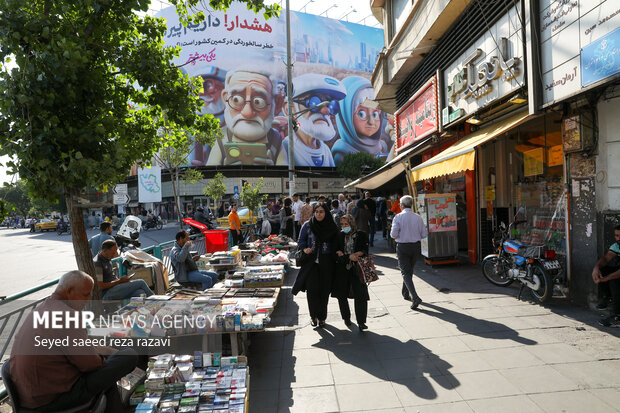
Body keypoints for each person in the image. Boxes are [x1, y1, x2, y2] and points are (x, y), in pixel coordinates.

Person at [10, 270, 138, 412]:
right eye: (85, 294)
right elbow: (90, 365)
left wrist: (109, 352)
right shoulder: (67, 315)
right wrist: (109, 358)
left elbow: (78, 347)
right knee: (129, 356)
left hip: (30, 397)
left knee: (109, 371)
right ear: (70, 291)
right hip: (52, 400)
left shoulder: (41, 310)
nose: (89, 299)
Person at [207, 67, 285, 166]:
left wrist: (273, 172)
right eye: (236, 100)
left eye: (258, 102)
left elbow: (287, 175)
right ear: (225, 99)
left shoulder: (275, 139)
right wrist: (225, 172)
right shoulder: (222, 137)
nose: (247, 113)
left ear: (277, 104)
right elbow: (211, 174)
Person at [282, 73, 347, 167]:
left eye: (330, 105)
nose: (326, 111)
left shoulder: (325, 150)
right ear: (290, 109)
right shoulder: (285, 147)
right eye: (314, 102)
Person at [293, 202, 339, 328]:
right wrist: (304, 248)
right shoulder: (308, 225)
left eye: (321, 212)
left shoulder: (331, 226)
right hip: (311, 263)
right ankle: (313, 316)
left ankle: (322, 317)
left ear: (326, 213)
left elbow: (337, 242)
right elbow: (300, 241)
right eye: (317, 211)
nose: (318, 214)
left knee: (324, 292)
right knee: (312, 292)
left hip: (327, 263)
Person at [333, 76, 390, 165]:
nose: (371, 121)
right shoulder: (342, 155)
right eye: (361, 114)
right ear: (346, 115)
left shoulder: (380, 147)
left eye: (375, 114)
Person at [391, 195, 428, 310]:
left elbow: (393, 234)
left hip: (403, 247)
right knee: (408, 270)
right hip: (416, 247)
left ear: (402, 205)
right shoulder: (418, 217)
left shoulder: (398, 217)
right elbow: (424, 234)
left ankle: (415, 297)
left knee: (405, 272)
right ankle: (405, 293)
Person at [334, 214, 370, 331]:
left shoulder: (361, 234)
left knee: (360, 295)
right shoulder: (339, 235)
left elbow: (364, 250)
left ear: (352, 223)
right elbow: (337, 254)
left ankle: (361, 322)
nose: (344, 226)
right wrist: (349, 256)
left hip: (357, 269)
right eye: (342, 224)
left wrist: (357, 254)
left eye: (346, 224)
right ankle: (346, 318)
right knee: (342, 295)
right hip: (342, 269)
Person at [191, 66, 227, 166]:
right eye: (198, 87)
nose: (203, 94)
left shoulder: (230, 120)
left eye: (209, 86)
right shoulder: (192, 123)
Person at [592, 225, 620, 327]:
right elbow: (606, 258)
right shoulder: (617, 246)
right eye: (616, 236)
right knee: (602, 270)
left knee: (614, 281)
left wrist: (607, 278)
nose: (618, 238)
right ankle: (606, 298)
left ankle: (618, 317)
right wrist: (596, 268)